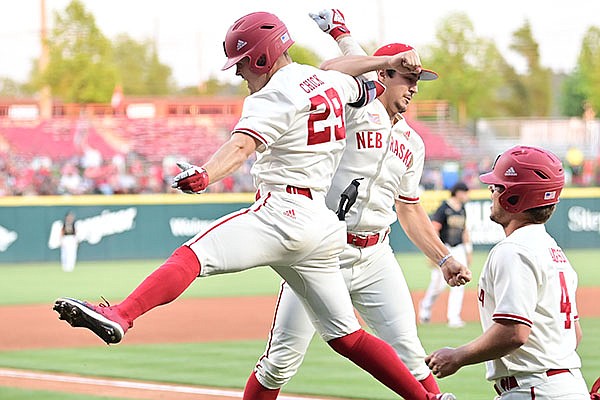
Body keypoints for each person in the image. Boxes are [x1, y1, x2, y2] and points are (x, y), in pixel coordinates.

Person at [53, 11, 468, 400]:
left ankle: (123, 314)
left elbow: (241, 146)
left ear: (264, 56)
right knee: (348, 337)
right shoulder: (325, 83)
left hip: (281, 212)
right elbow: (370, 84)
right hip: (324, 231)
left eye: (242, 62)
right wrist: (351, 40)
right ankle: (428, 399)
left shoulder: (272, 96)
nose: (238, 72)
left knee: (192, 255)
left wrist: (204, 176)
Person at [242, 9, 470, 399]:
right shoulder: (352, 109)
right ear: (383, 76)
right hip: (319, 251)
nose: (415, 87)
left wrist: (444, 258)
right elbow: (333, 68)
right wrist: (345, 36)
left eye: (418, 80)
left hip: (376, 255)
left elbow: (410, 208)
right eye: (408, 78)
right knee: (279, 361)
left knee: (413, 357)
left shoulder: (412, 144)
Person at [425, 145, 590, 399]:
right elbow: (573, 335)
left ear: (515, 197)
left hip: (535, 390)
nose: (491, 192)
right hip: (564, 386)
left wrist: (457, 356)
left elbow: (514, 332)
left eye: (497, 186)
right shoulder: (554, 251)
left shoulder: (513, 250)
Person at [419, 181, 472, 328]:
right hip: (444, 249)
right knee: (438, 284)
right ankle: (425, 307)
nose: (467, 196)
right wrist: (433, 252)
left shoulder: (462, 209)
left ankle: (453, 317)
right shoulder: (444, 208)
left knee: (460, 281)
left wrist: (468, 251)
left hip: (459, 248)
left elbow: (465, 230)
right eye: (465, 192)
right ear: (459, 192)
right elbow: (434, 229)